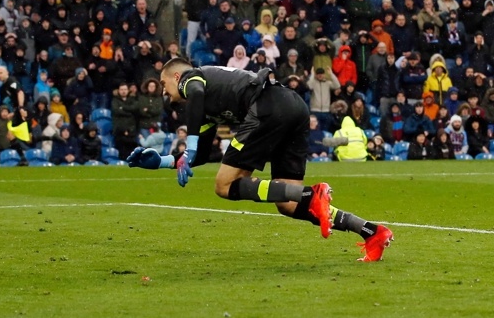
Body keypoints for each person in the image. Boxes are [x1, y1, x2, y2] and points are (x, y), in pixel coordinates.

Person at [126, 58, 393, 262]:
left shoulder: (191, 79)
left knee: (224, 185)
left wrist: (190, 145)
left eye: (164, 84)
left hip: (267, 106)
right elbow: (203, 155)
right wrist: (163, 161)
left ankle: (311, 194)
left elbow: (194, 97)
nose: (164, 91)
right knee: (288, 203)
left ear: (176, 75)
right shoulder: (204, 108)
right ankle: (370, 232)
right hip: (292, 106)